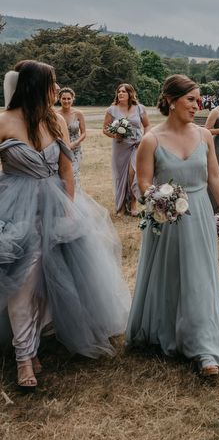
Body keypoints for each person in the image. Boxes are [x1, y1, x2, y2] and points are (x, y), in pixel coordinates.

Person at [0, 61, 130, 389]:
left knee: (50, 281)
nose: (58, 89)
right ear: (34, 85)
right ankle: (23, 359)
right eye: (52, 83)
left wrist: (69, 208)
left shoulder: (54, 119)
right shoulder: (3, 121)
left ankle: (33, 344)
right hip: (17, 207)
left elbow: (66, 169)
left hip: (57, 206)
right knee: (22, 284)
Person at [126, 75, 219, 377]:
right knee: (170, 274)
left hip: (199, 211)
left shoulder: (204, 136)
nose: (198, 105)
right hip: (167, 217)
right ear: (172, 101)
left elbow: (214, 176)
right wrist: (161, 201)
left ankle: (204, 348)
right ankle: (166, 332)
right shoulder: (151, 140)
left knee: (199, 275)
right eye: (191, 99)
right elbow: (144, 183)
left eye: (199, 99)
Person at [103, 83, 150, 215]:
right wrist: (115, 134)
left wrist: (145, 139)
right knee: (120, 176)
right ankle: (122, 206)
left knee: (133, 174)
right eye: (119, 91)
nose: (121, 94)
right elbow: (105, 129)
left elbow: (147, 125)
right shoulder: (111, 110)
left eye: (124, 91)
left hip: (137, 145)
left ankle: (133, 204)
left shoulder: (139, 108)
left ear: (130, 94)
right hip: (120, 146)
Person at [57, 87, 86, 189]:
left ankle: (76, 198)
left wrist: (75, 143)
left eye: (69, 98)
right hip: (60, 148)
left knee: (74, 175)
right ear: (59, 99)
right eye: (64, 98)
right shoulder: (55, 115)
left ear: (73, 99)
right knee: (62, 176)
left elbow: (84, 133)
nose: (66, 101)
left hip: (75, 149)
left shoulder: (78, 114)